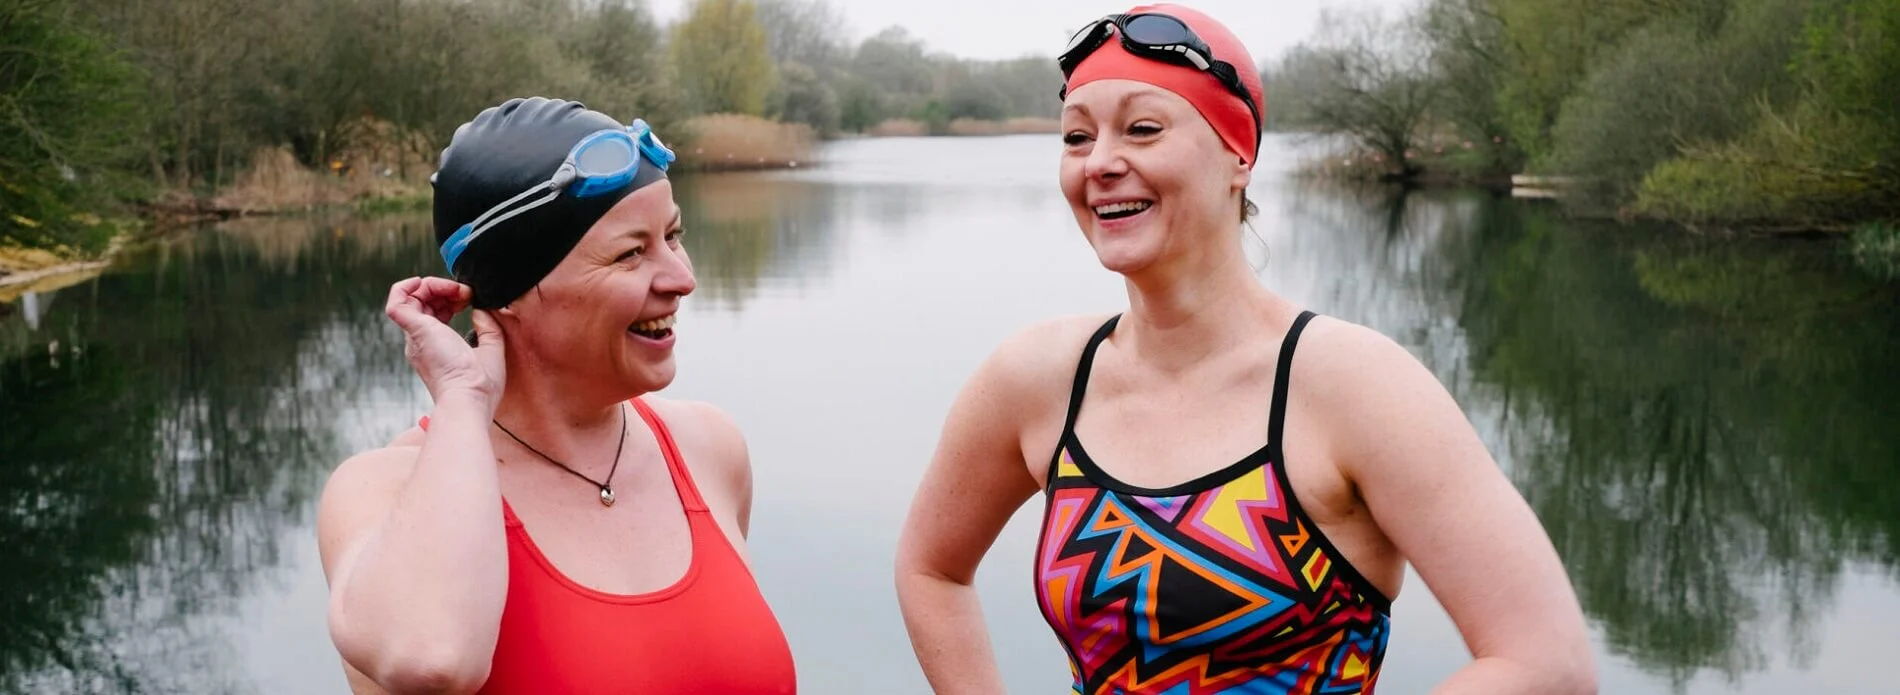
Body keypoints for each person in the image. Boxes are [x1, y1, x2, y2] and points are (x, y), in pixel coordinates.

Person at [893, 5, 1597, 694]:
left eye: (1142, 129)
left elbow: (1547, 661)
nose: (1101, 163)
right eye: (1077, 138)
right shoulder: (1039, 378)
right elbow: (931, 567)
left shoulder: (1352, 386)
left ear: (1240, 154)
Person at [316, 97, 796, 694]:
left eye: (673, 236)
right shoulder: (383, 491)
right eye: (631, 253)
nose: (682, 278)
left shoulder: (708, 448)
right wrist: (465, 398)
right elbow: (433, 659)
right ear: (510, 290)